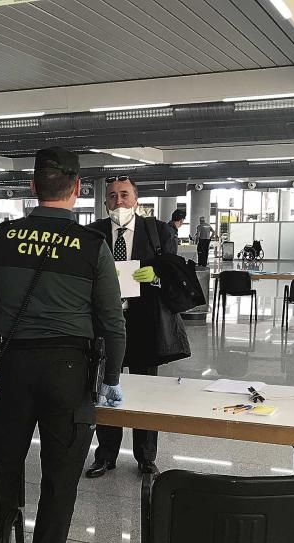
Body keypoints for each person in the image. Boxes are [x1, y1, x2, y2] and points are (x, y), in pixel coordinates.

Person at [0, 146, 126, 543]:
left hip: (15, 365)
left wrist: (1, 354)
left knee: (1, 468)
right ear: (78, 189)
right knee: (60, 478)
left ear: (33, 187)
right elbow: (111, 320)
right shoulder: (93, 246)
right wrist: (111, 375)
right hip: (70, 371)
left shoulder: (2, 239)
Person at [86, 174, 189, 478]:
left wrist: (155, 277)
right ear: (105, 202)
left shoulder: (158, 232)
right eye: (112, 196)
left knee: (146, 391)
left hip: (145, 324)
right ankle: (105, 455)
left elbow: (175, 278)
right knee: (107, 387)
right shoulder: (94, 234)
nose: (119, 201)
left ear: (136, 200)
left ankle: (146, 456)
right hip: (105, 324)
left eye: (124, 195)